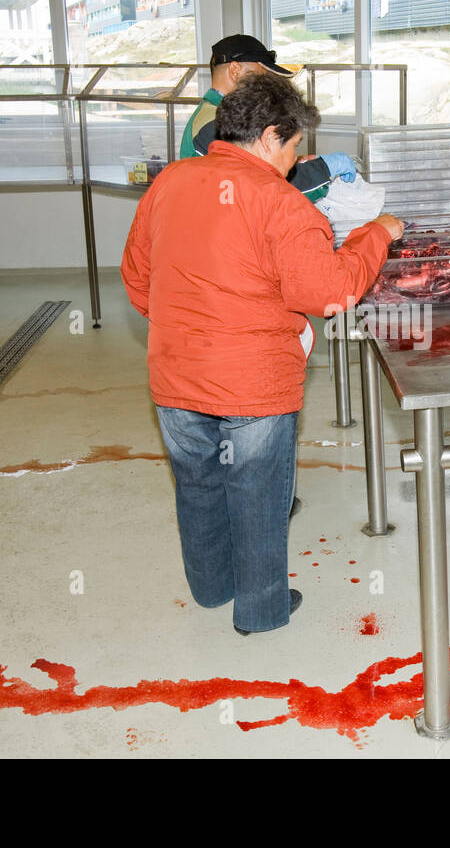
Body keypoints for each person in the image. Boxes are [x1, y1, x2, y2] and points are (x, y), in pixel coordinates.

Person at [121, 73, 404, 634]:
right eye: (296, 146)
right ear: (272, 136)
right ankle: (261, 610)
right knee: (256, 492)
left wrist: (193, 326)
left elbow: (137, 278)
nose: (297, 161)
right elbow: (327, 293)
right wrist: (375, 235)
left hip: (176, 372)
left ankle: (211, 588)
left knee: (198, 482)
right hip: (254, 384)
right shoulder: (282, 202)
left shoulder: (171, 182)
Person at [180, 34, 358, 202]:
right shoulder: (214, 124)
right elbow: (264, 186)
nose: (265, 86)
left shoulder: (218, 116)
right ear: (235, 70)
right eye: (262, 76)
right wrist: (324, 169)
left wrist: (291, 160)